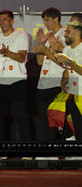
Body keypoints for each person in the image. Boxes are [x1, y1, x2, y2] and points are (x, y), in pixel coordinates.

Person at [0, 10, 31, 141]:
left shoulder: (21, 36)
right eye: (0, 20)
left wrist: (6, 52)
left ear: (12, 20)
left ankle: (27, 150)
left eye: (4, 19)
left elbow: (21, 57)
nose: (2, 22)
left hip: (17, 81)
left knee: (21, 117)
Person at [31, 8, 66, 140]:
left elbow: (64, 63)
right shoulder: (47, 36)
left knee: (58, 120)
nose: (45, 23)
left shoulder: (64, 35)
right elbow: (40, 62)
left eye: (47, 20)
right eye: (44, 20)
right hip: (43, 84)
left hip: (57, 84)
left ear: (56, 19)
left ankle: (62, 152)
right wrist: (41, 44)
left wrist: (45, 50)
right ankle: (46, 152)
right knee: (43, 121)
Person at [48, 21, 82, 141]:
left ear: (78, 33)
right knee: (54, 112)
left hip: (81, 96)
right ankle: (71, 143)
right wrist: (63, 82)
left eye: (68, 31)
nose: (65, 34)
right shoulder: (67, 49)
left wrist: (69, 61)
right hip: (71, 94)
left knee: (79, 126)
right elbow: (66, 71)